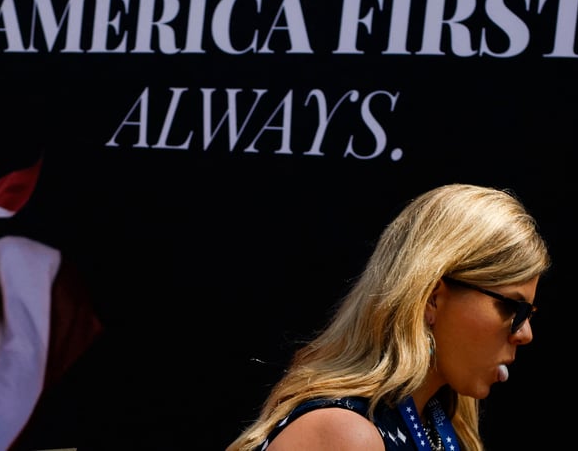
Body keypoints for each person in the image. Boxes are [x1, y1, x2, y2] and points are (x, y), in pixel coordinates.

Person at [227, 183, 551, 451]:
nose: (525, 334)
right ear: (432, 299)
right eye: (513, 308)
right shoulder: (347, 434)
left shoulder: (442, 428)